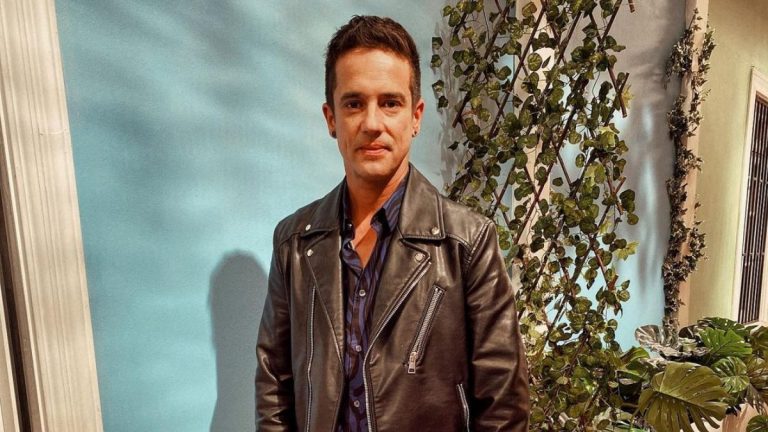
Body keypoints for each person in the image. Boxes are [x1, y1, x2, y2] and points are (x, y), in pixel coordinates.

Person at [255, 15, 529, 432]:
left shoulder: (466, 242)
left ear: (415, 116)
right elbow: (275, 386)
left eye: (390, 103)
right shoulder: (294, 242)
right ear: (331, 118)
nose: (372, 123)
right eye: (354, 103)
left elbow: (503, 407)